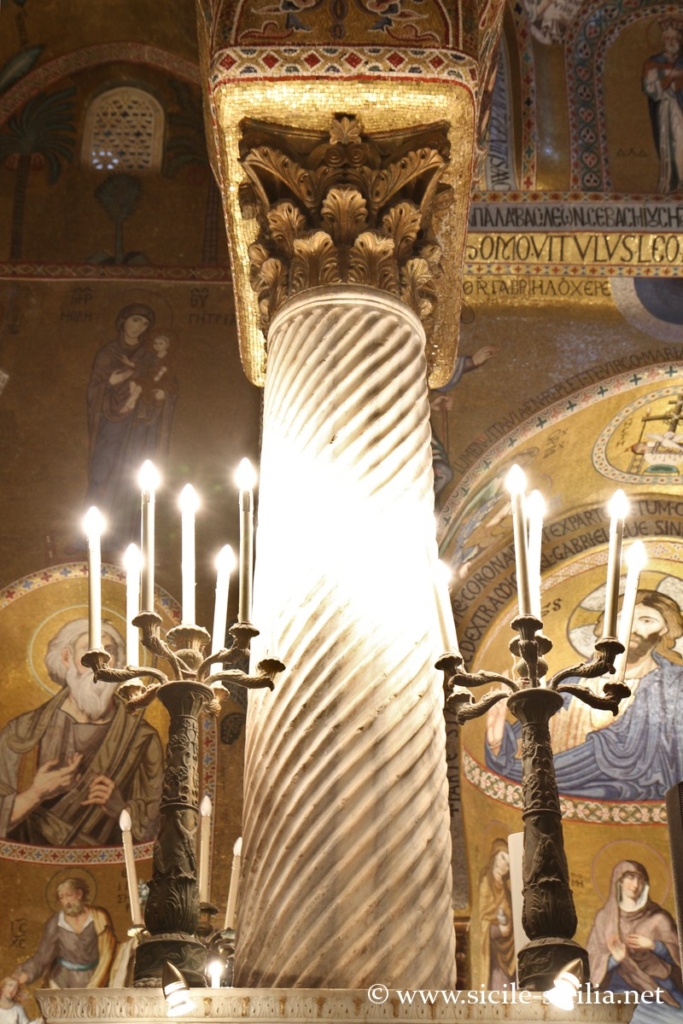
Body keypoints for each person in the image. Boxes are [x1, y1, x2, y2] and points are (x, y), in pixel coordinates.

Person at [485, 589, 683, 801]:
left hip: (639, 795)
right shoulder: (570, 682)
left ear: (666, 628)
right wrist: (498, 740)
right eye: (622, 618)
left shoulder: (674, 685)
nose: (632, 628)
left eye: (647, 621)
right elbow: (533, 736)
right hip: (557, 795)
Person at [0, 617, 162, 847]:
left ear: (119, 663)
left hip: (113, 866)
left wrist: (121, 809)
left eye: (109, 652)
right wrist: (36, 793)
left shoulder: (141, 739)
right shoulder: (22, 733)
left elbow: (159, 831)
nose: (100, 664)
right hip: (25, 865)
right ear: (67, 658)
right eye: (89, 652)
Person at [85, 303, 177, 543]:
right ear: (123, 321)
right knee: (102, 472)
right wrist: (109, 384)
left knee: (131, 474)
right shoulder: (107, 354)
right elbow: (95, 388)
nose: (139, 327)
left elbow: (166, 382)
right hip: (112, 424)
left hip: (139, 426)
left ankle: (127, 535)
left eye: (145, 324)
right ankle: (92, 536)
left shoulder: (149, 355)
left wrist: (164, 395)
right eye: (135, 320)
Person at [587, 860, 683, 1021]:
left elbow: (678, 958)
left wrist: (654, 945)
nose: (636, 884)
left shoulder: (659, 919)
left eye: (641, 879)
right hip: (621, 990)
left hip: (660, 989)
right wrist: (615, 959)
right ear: (619, 880)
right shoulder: (605, 919)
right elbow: (592, 961)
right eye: (630, 877)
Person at [14, 878, 116, 989]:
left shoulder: (98, 917)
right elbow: (43, 956)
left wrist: (98, 980)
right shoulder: (56, 922)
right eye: (61, 898)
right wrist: (23, 976)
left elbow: (108, 951)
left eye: (69, 895)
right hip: (62, 979)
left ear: (79, 894)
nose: (66, 902)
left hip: (94, 977)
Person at [642, 20, 683, 193]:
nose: (671, 42)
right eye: (668, 38)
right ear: (663, 40)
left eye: (675, 38)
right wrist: (670, 77)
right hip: (668, 107)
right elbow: (651, 89)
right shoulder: (653, 63)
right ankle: (676, 182)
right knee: (677, 141)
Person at [478, 838, 515, 989]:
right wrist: (499, 930)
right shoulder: (486, 884)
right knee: (498, 986)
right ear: (494, 856)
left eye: (508, 863)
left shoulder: (506, 890)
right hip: (494, 952)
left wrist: (508, 926)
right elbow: (483, 921)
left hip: (508, 949)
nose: (505, 865)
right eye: (502, 858)